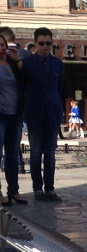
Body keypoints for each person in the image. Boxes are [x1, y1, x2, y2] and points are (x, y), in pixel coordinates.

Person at [22, 27, 64, 202]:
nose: (45, 46)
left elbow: (59, 88)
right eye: (42, 43)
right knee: (36, 152)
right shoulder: (28, 63)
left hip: (52, 113)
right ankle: (37, 189)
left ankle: (50, 189)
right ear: (35, 43)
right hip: (34, 113)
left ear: (52, 43)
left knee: (50, 153)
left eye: (48, 43)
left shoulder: (58, 64)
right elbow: (23, 87)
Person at [0, 32, 30, 206]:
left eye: (3, 44)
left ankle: (14, 191)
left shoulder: (13, 63)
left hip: (15, 115)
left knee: (12, 154)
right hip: (0, 116)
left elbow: (29, 80)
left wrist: (18, 60)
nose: (2, 47)